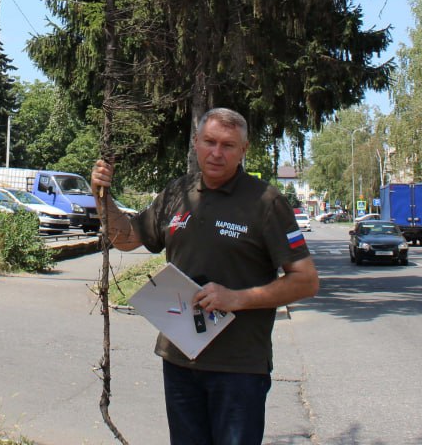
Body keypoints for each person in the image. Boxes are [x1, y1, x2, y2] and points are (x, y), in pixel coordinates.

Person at [91, 108, 319, 445]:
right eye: (209, 141)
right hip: (181, 360)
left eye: (228, 145)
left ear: (244, 150)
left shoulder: (266, 203)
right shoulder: (176, 193)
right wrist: (102, 197)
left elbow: (306, 281)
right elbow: (126, 238)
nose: (216, 152)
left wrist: (237, 299)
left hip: (239, 367)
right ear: (196, 143)